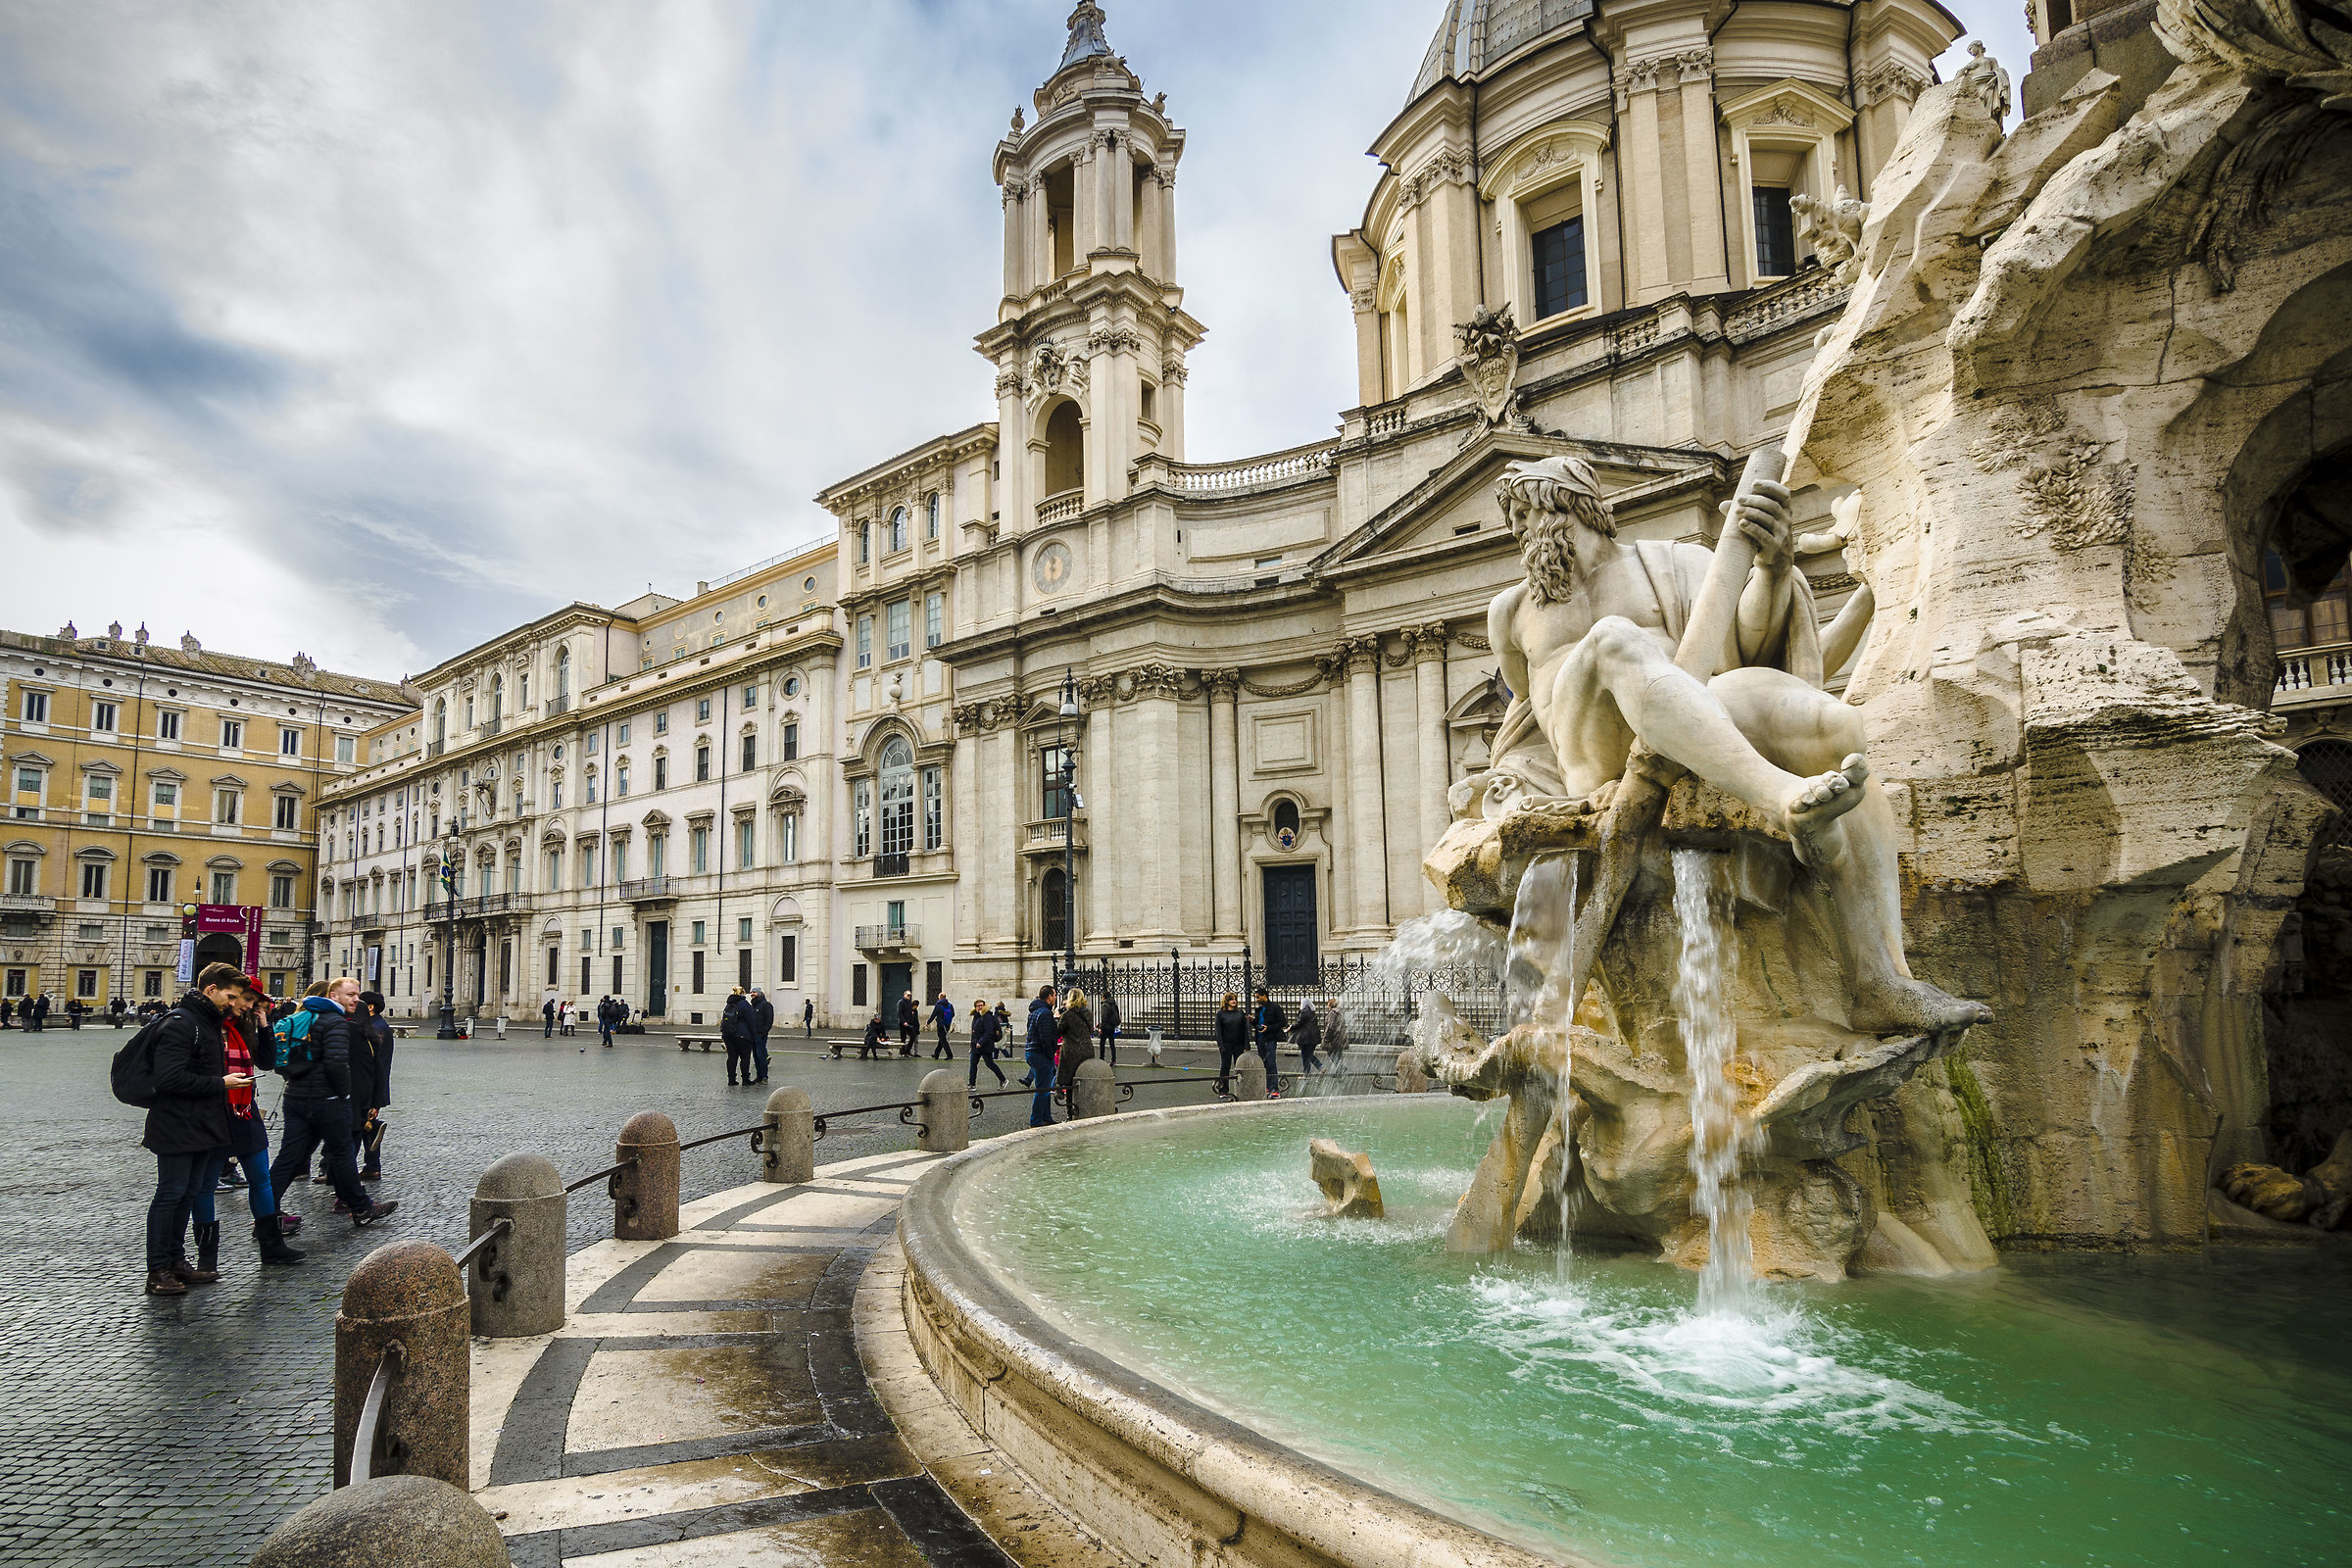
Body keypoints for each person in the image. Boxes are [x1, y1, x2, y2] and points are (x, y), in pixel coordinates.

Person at [139, 963, 246, 1294]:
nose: (233, 1003)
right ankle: (158, 1270)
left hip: (201, 1122)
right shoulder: (182, 1023)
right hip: (175, 1123)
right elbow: (169, 1077)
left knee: (187, 1193)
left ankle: (176, 1261)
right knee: (170, 1194)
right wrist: (221, 1083)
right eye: (230, 996)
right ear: (211, 989)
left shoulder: (206, 1022)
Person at [268, 977, 399, 1228]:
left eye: (357, 994)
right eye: (350, 995)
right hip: (326, 1100)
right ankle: (361, 1206)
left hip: (296, 1097)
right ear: (333, 996)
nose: (356, 999)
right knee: (342, 1153)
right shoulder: (336, 1021)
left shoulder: (305, 1018)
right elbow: (337, 1063)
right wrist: (344, 1095)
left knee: (290, 1157)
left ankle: (265, 1213)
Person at [193, 977, 305, 1270]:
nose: (247, 1006)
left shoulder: (244, 1027)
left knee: (260, 1178)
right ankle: (207, 1258)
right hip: (215, 1111)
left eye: (254, 1003)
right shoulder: (209, 1026)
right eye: (246, 1000)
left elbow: (267, 1062)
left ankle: (272, 1246)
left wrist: (264, 1025)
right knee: (205, 1184)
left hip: (244, 1109)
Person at [357, 991, 394, 1182]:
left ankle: (371, 1167)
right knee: (366, 1126)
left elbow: (376, 1064)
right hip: (372, 1087)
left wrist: (375, 1100)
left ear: (370, 1007)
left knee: (363, 1125)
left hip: (370, 1087)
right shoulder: (377, 1025)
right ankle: (372, 1166)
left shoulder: (376, 1028)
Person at [1025, 985, 1059, 1126]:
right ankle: (1036, 1120)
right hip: (1040, 1054)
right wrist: (1050, 1053)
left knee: (1045, 1087)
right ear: (1049, 997)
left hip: (1032, 1052)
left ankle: (1046, 1117)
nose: (1056, 997)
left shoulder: (1034, 1012)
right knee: (1042, 1089)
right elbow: (1045, 1036)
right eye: (1054, 995)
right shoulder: (1045, 1013)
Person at [1056, 988, 1096, 1104]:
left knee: (1069, 1082)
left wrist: (1056, 1017)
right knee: (1085, 1078)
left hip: (1071, 1050)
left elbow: (1059, 1030)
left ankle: (1071, 1109)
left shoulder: (1067, 1015)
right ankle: (1085, 1105)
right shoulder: (1089, 1013)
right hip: (1087, 1049)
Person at [1213, 992, 1249, 1094]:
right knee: (1225, 1066)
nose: (1234, 1001)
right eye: (1231, 999)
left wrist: (1246, 1044)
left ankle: (1241, 1089)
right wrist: (1221, 1045)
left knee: (1239, 1066)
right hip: (1226, 1044)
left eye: (1235, 999)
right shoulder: (1220, 1013)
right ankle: (1223, 1089)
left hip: (1238, 1043)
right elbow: (1218, 1030)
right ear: (1227, 1001)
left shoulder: (1240, 1013)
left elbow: (1245, 1029)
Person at [1252, 988, 1286, 1098]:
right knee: (1263, 1063)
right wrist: (1252, 1021)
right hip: (1260, 1039)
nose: (1257, 999)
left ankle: (1274, 1088)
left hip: (1270, 1038)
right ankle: (1266, 1086)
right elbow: (1258, 1024)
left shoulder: (1275, 1007)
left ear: (1264, 996)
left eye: (1258, 997)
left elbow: (1282, 1022)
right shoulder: (1259, 1009)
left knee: (1271, 1062)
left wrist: (1269, 1028)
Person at [966, 997, 1004, 1087]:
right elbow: (974, 1032)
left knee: (990, 1064)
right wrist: (972, 1045)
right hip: (975, 1045)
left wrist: (981, 1042)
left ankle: (1003, 1079)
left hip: (985, 1045)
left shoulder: (987, 1016)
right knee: (973, 1064)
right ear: (975, 1007)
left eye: (981, 1005)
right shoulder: (976, 1016)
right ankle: (972, 1084)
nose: (980, 1007)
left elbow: (989, 1031)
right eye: (978, 1006)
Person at [721, 987, 755, 1085]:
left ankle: (731, 1079)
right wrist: (753, 1035)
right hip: (742, 1035)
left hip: (728, 1035)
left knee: (732, 1057)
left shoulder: (729, 1004)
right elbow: (750, 1021)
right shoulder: (744, 1004)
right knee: (745, 1057)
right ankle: (745, 1079)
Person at [748, 987, 774, 1083]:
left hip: (760, 1034)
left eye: (754, 992)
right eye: (751, 992)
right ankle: (759, 1075)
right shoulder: (753, 1005)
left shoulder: (766, 1005)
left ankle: (764, 1076)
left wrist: (765, 1031)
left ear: (759, 993)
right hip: (753, 1035)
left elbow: (769, 1019)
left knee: (761, 1056)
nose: (752, 994)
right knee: (755, 1056)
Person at [1294, 999, 1322, 1074]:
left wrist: (1291, 1027)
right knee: (1309, 1054)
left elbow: (1299, 1023)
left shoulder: (1304, 1012)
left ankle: (1307, 1072)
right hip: (1314, 1037)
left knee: (1305, 1055)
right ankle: (1319, 1067)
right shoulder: (1313, 1013)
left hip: (1305, 1037)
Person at [926, 993, 956, 1060]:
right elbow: (953, 1014)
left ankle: (949, 1055)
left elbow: (933, 1014)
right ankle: (936, 1054)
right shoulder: (950, 1005)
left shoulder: (938, 1005)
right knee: (941, 1039)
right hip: (947, 1024)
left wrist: (928, 1022)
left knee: (943, 1040)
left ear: (939, 997)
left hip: (941, 1025)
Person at [1098, 991, 1121, 1069]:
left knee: (1102, 1042)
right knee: (1112, 1043)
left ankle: (1102, 1058)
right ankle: (1113, 1060)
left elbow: (1104, 1017)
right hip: (1112, 1026)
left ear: (1104, 997)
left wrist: (1101, 1027)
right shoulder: (1114, 1004)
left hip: (1106, 1026)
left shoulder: (1105, 1005)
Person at [897, 990, 920, 1056]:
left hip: (910, 1023)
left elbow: (910, 1012)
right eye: (908, 995)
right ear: (904, 995)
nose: (909, 996)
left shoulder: (909, 1003)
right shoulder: (901, 1002)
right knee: (903, 1038)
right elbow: (899, 1013)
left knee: (913, 1036)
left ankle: (907, 1050)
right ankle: (902, 1052)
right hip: (903, 1023)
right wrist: (903, 1021)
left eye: (910, 995)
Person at [1324, 998, 1348, 1063]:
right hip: (1340, 1037)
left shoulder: (1332, 1013)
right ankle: (1340, 1068)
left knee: (1330, 1053)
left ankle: (1341, 1067)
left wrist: (1326, 1038)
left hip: (1334, 1037)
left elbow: (1330, 1026)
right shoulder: (1340, 1012)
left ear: (1330, 1005)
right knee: (1338, 1055)